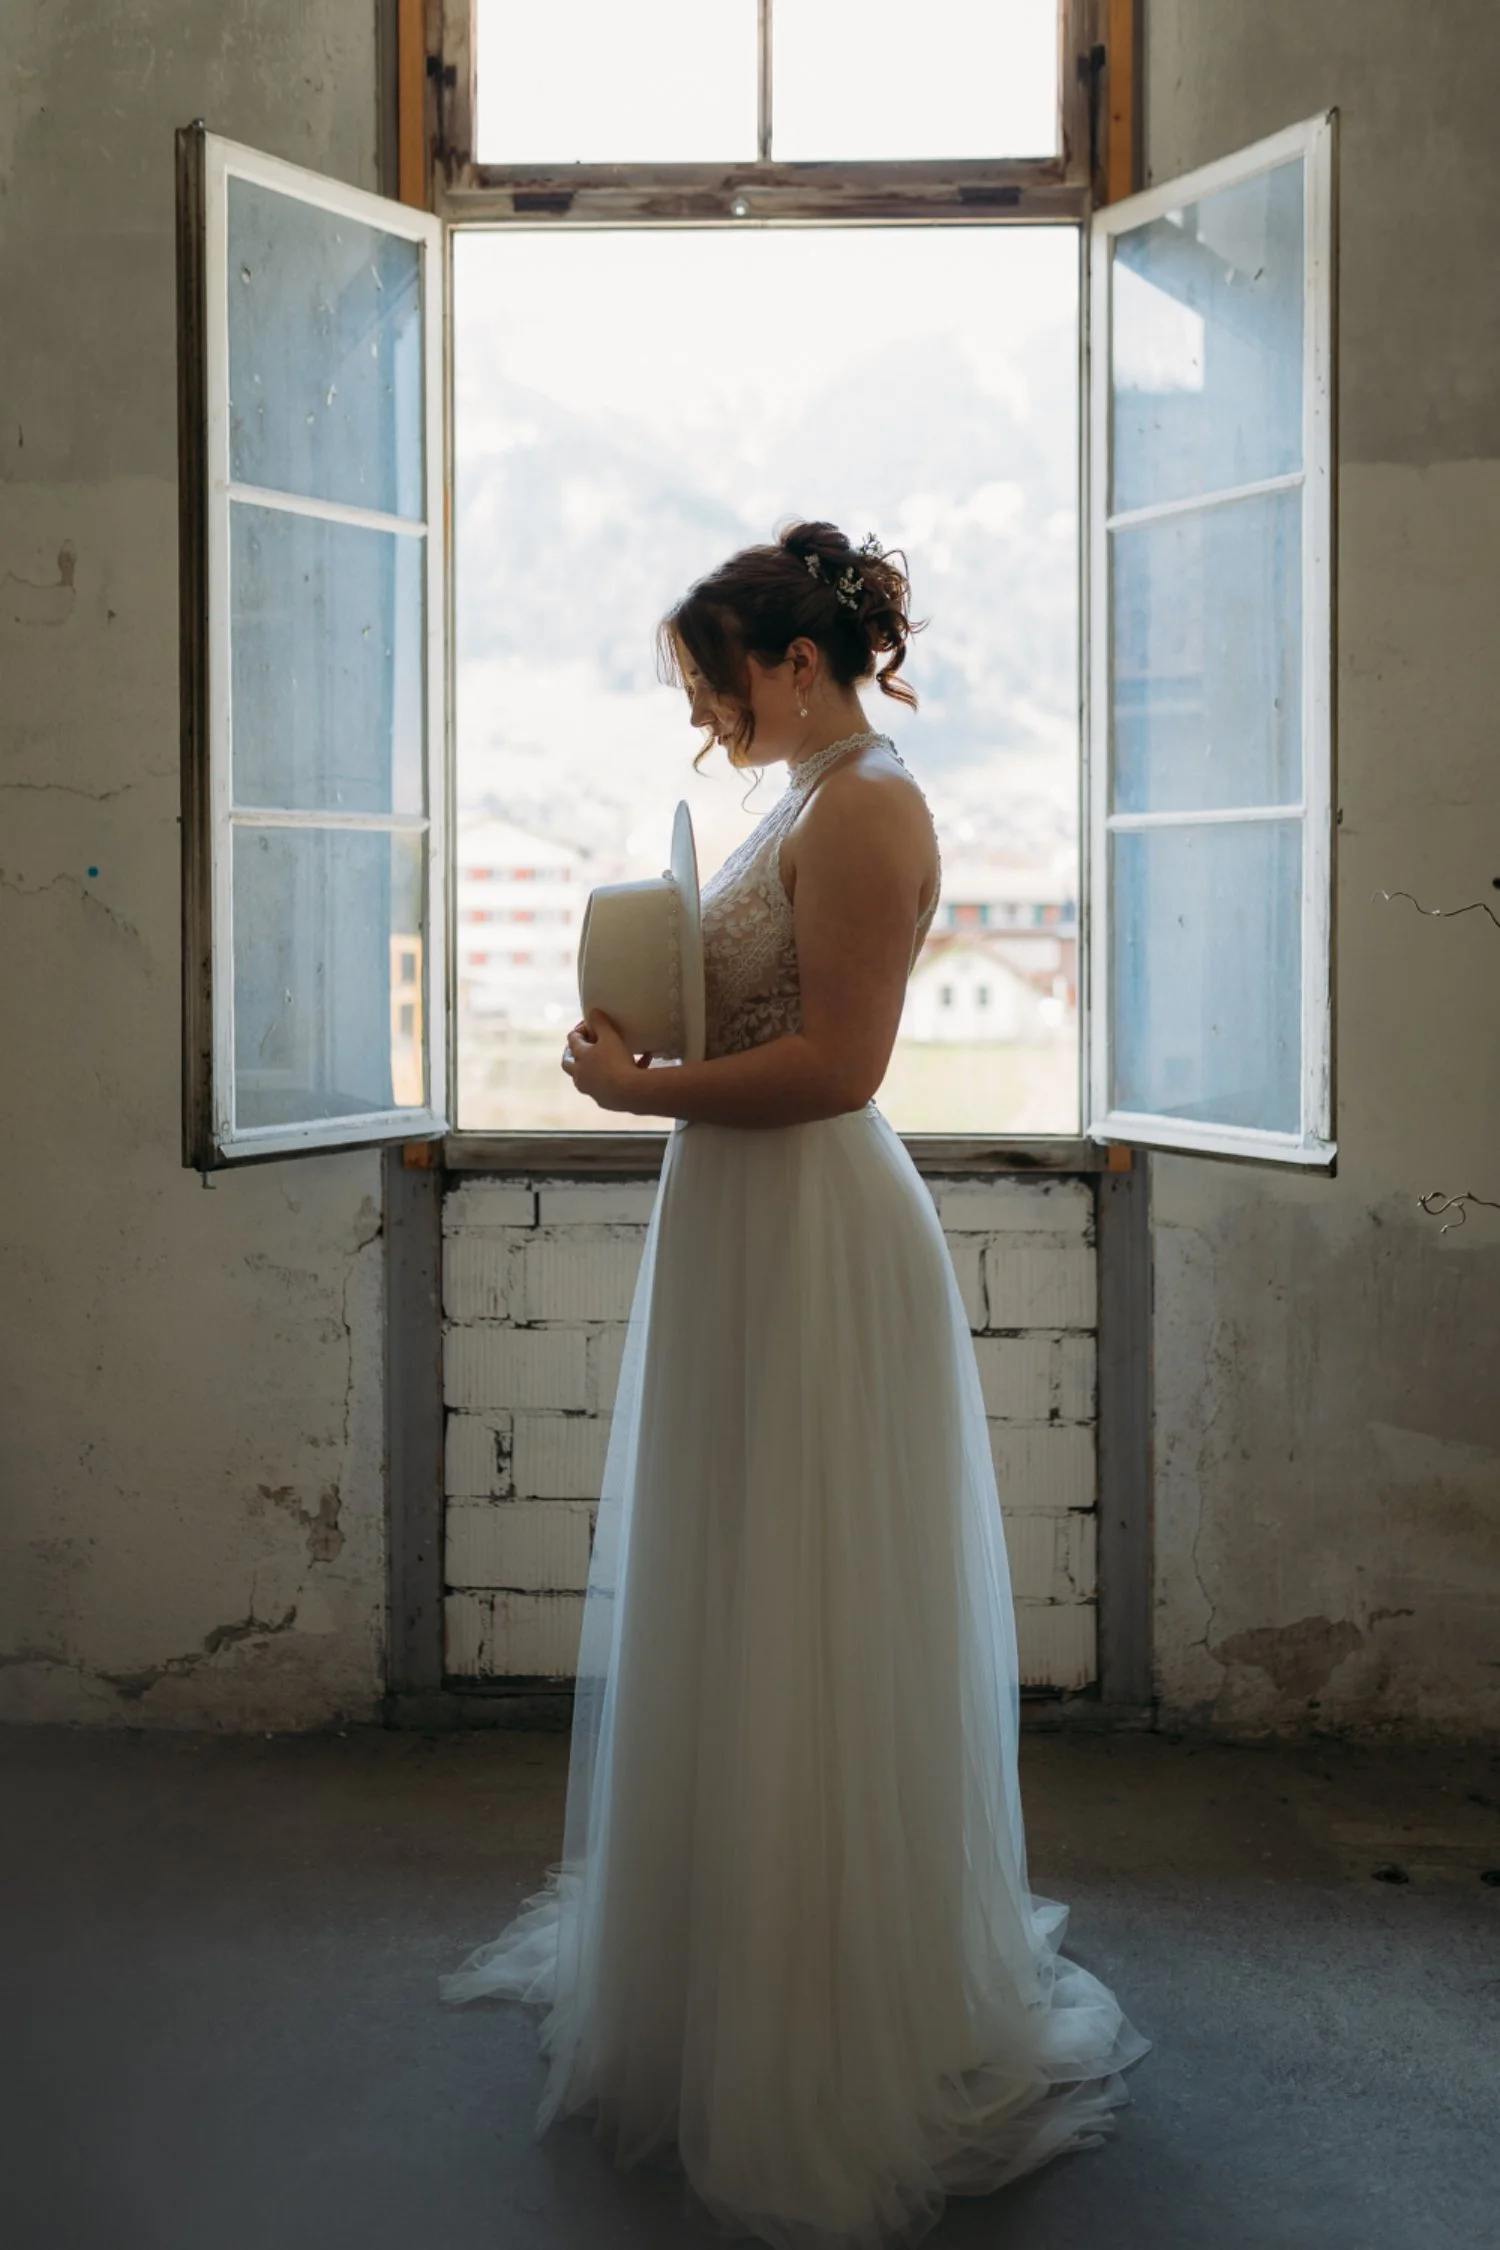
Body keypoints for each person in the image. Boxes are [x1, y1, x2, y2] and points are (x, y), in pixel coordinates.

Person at [440, 522, 1148, 2249]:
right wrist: (652, 1034)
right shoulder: (801, 796)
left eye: (714, 681)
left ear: (797, 660)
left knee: (811, 1603)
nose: (705, 716)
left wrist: (641, 1094)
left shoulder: (872, 808)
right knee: (734, 1588)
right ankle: (723, 1961)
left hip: (820, 1229)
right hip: (743, 1222)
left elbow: (839, 1065)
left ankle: (831, 2010)